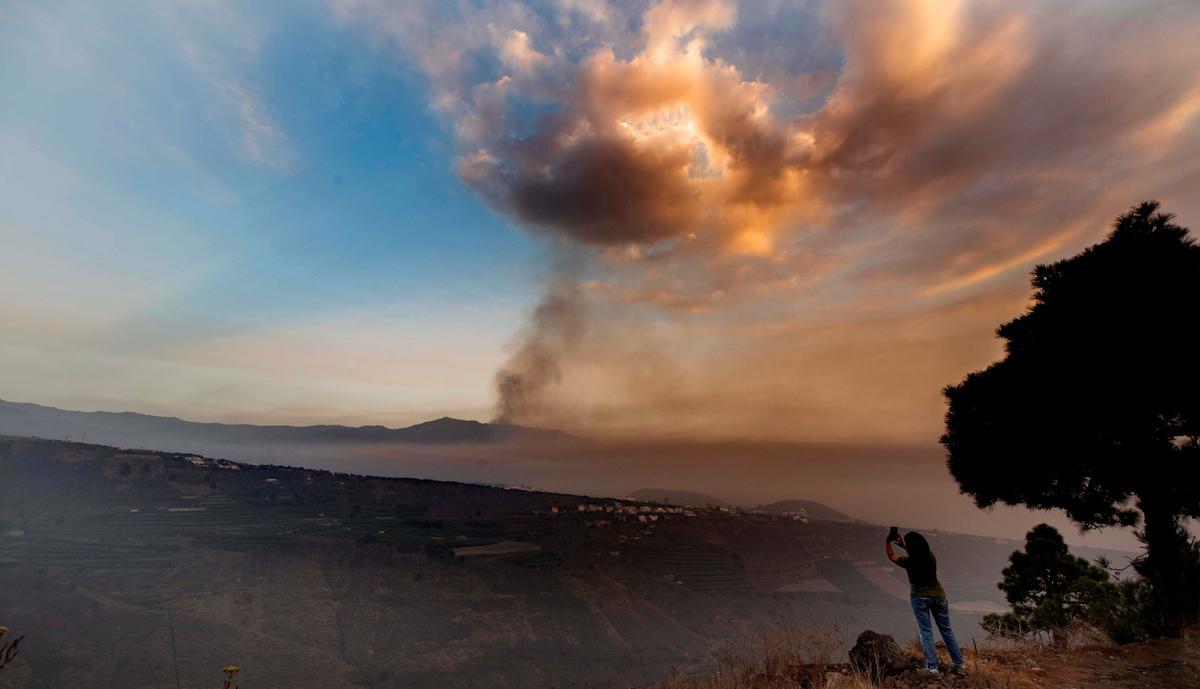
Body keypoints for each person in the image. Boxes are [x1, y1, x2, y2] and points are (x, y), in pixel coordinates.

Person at [886, 529, 965, 676]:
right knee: (947, 630)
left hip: (920, 598)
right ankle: (959, 665)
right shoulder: (931, 556)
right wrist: (905, 545)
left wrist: (887, 541)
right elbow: (918, 552)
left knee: (926, 632)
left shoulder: (908, 562)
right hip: (939, 596)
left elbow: (891, 556)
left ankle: (932, 667)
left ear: (911, 547)